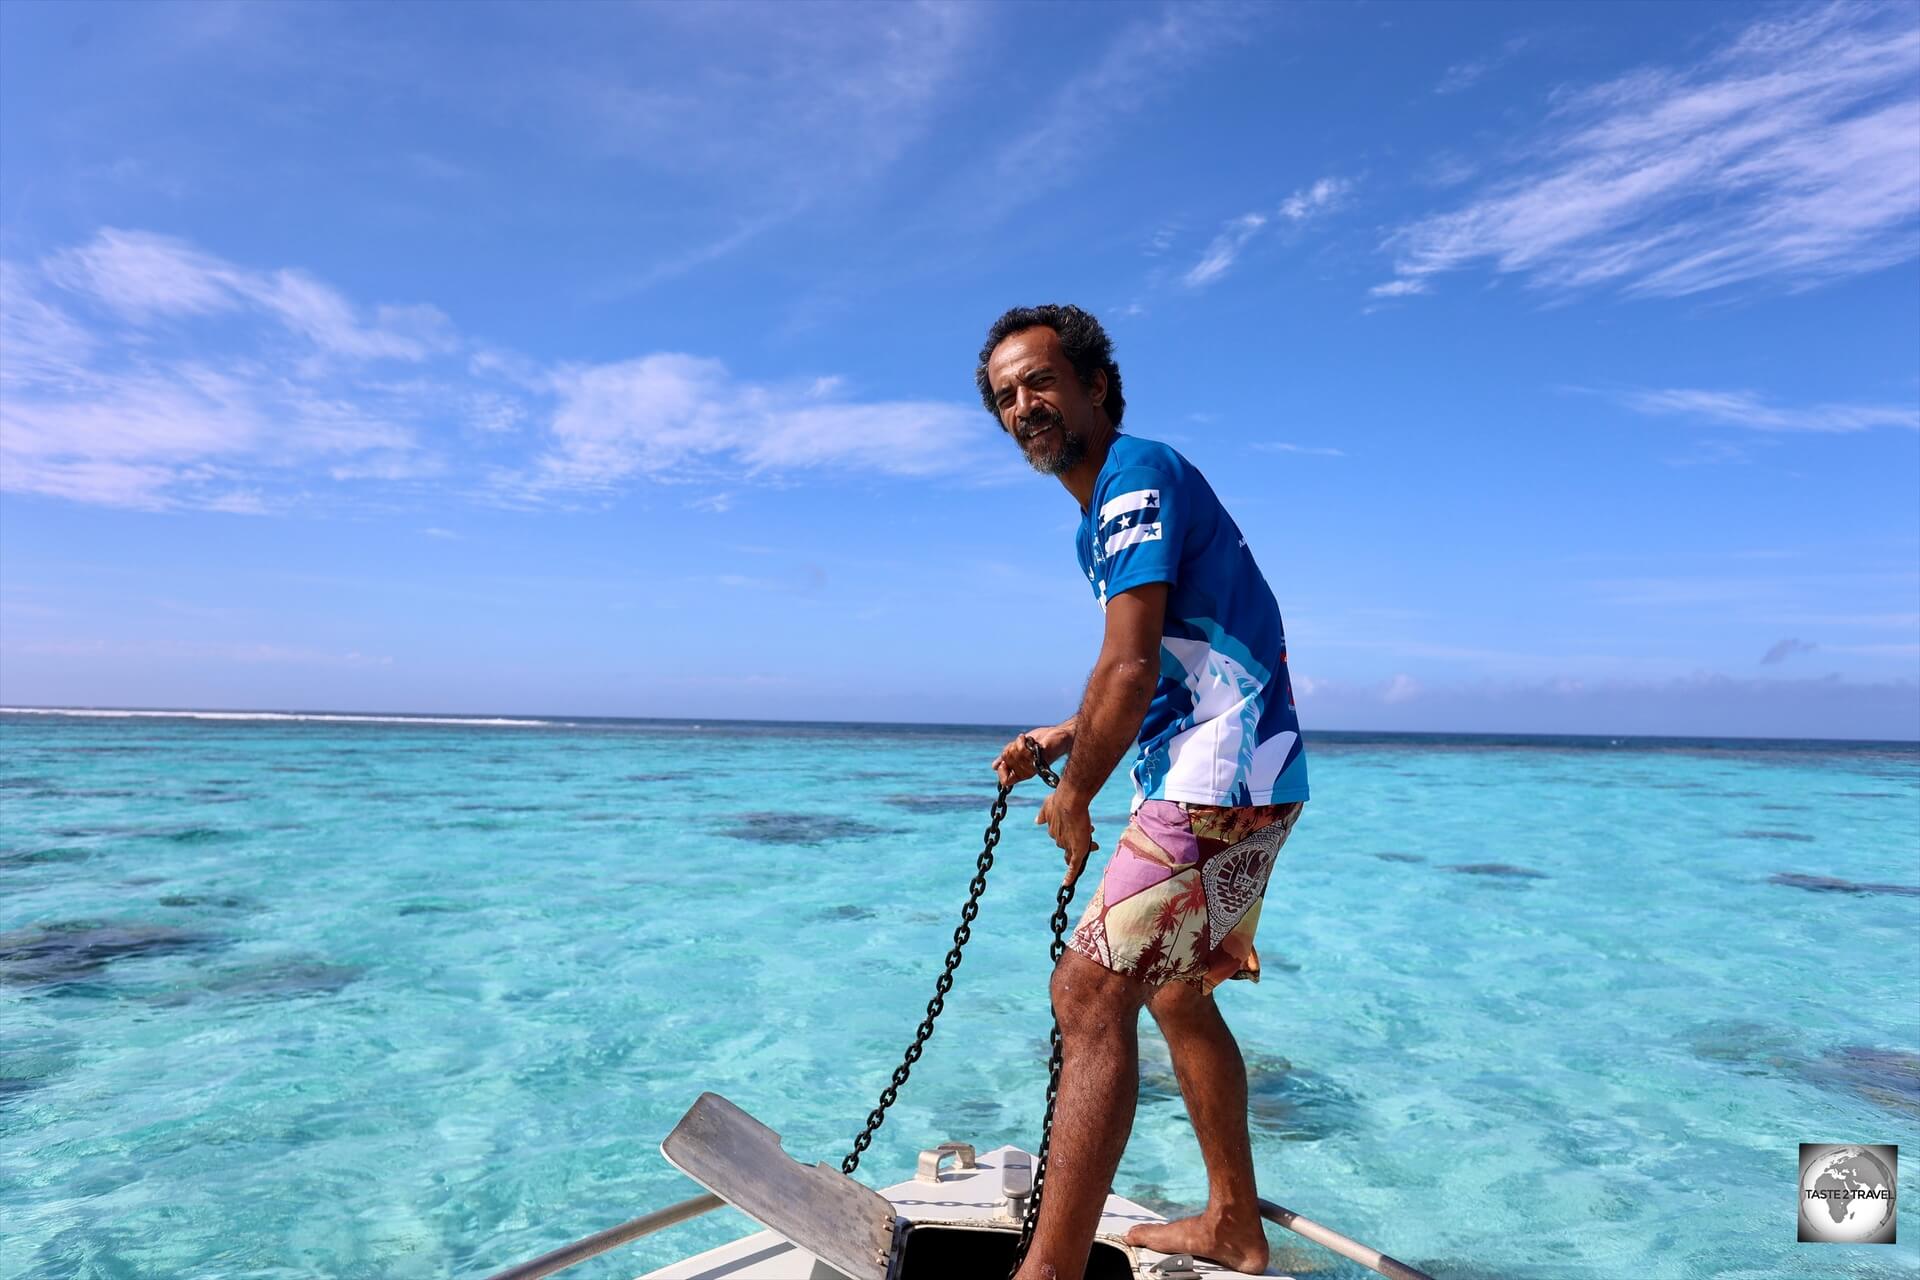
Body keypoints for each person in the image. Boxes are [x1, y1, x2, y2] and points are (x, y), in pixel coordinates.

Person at [980, 304, 1309, 1278]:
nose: (1023, 405)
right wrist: (1064, 736)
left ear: (1095, 387)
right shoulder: (1105, 515)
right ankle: (1233, 1223)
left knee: (1086, 993)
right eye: (1005, 396)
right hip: (1234, 768)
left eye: (1040, 381)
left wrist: (1074, 792)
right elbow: (1162, 665)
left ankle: (1052, 1271)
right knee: (1171, 992)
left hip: (1221, 773)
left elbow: (1127, 670)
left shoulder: (1134, 476)